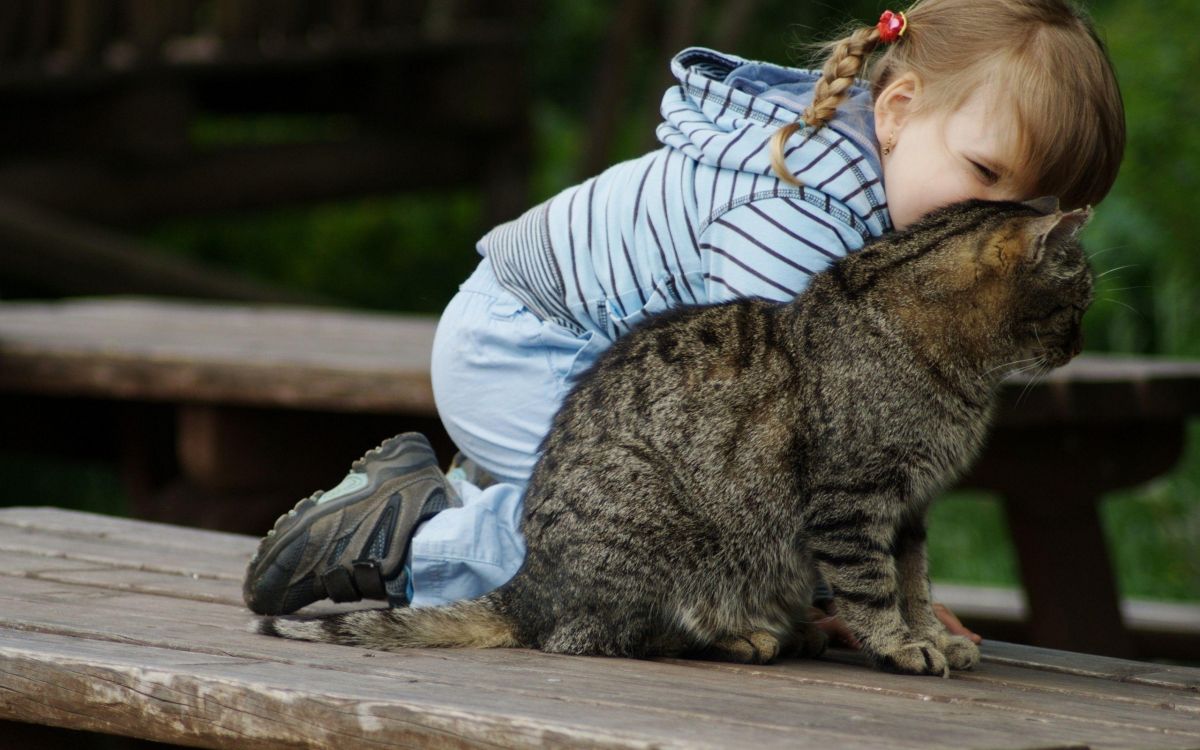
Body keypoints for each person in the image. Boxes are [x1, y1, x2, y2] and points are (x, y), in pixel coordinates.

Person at [243, 0, 1125, 647]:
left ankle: (446, 496)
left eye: (1035, 208)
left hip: (586, 352)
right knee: (613, 543)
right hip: (521, 339)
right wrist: (860, 600)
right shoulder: (807, 210)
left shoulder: (881, 194)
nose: (1006, 228)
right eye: (986, 172)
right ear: (897, 113)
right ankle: (406, 534)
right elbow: (766, 436)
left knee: (643, 525)